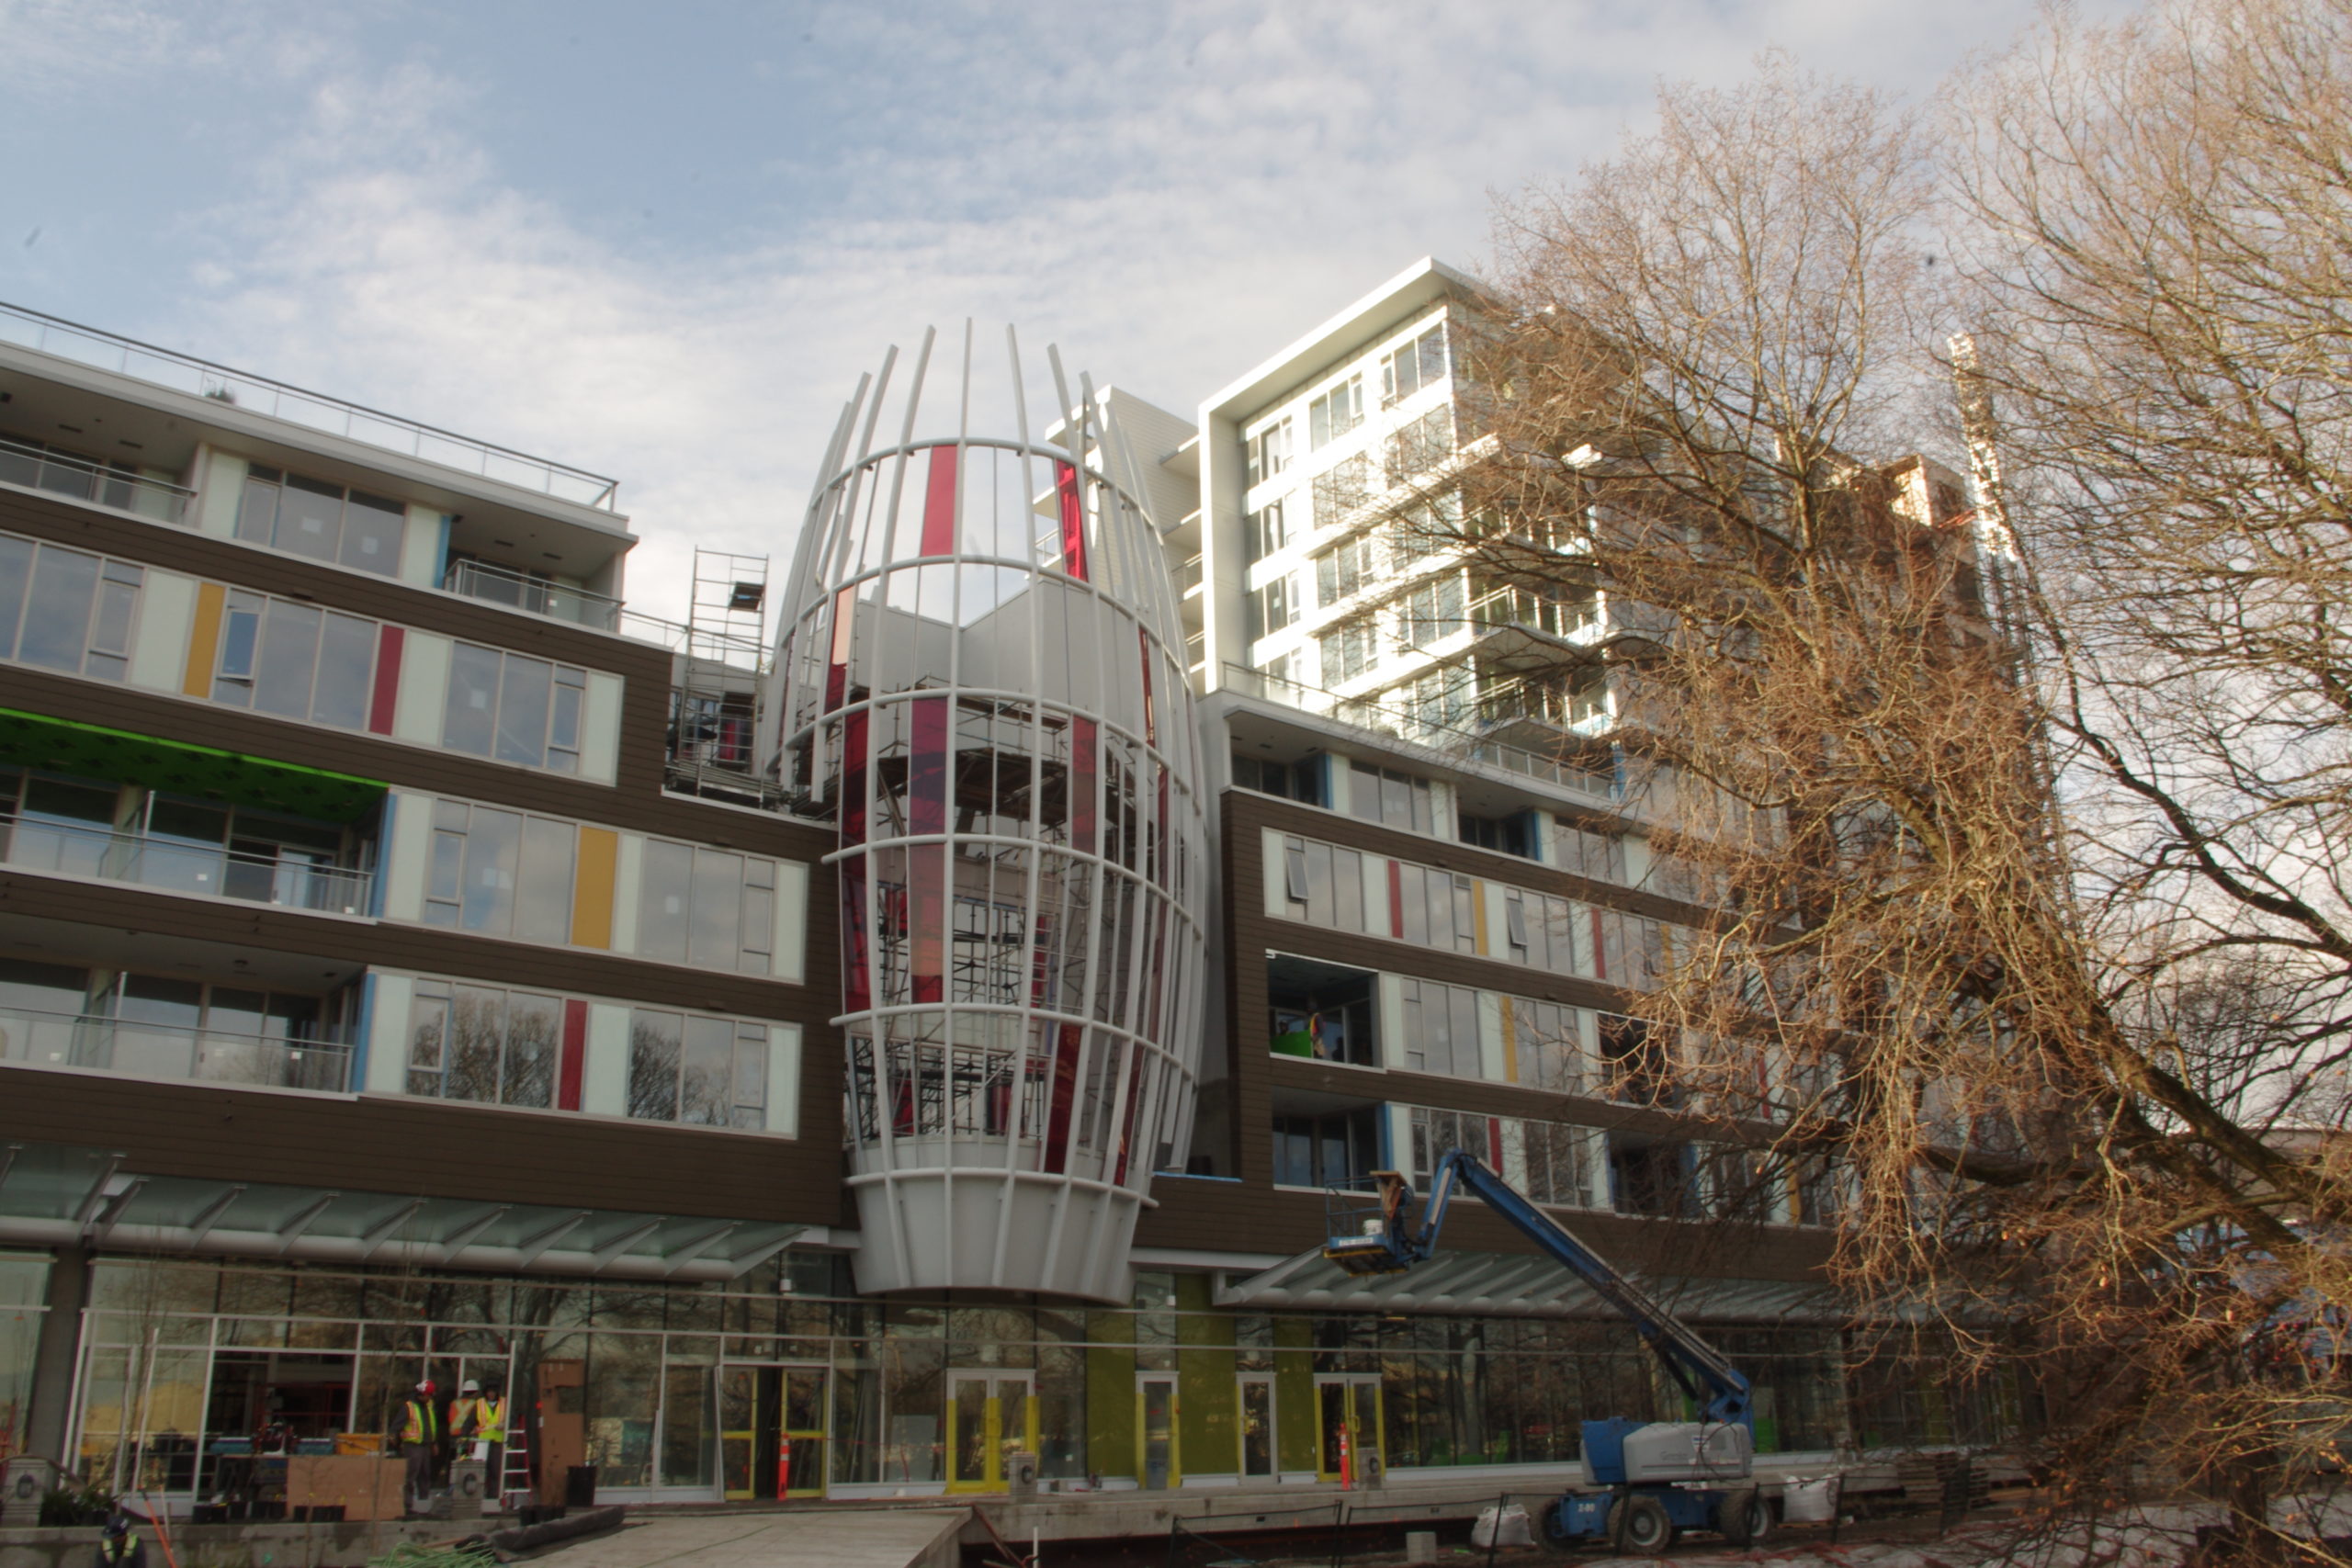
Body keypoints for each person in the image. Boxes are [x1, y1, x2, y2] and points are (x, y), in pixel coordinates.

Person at [398, 1378, 442, 1512]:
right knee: (410, 1476)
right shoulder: (409, 1407)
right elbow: (397, 1426)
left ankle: (423, 1504)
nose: (430, 1398)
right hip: (413, 1446)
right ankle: (407, 1505)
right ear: (422, 1395)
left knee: (425, 1474)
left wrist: (433, 1442)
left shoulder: (428, 1406)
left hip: (425, 1446)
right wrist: (396, 1441)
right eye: (429, 1396)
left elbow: (431, 1425)